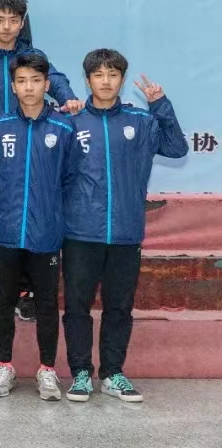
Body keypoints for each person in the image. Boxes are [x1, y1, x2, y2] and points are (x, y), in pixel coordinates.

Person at [62, 50, 187, 403]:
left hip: (125, 232)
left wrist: (160, 105)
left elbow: (177, 148)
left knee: (119, 307)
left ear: (122, 79)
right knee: (77, 307)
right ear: (87, 79)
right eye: (98, 74)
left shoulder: (141, 121)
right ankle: (81, 373)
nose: (106, 81)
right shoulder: (71, 122)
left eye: (113, 74)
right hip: (80, 232)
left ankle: (113, 373)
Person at [0, 0, 82, 318]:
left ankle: (25, 292)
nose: (6, 26)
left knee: (28, 218)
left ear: (21, 23)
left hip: (26, 153)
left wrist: (68, 98)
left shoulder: (32, 56)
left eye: (13, 20)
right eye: (0, 19)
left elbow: (56, 80)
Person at [0, 53, 74, 401]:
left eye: (36, 81)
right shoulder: (0, 126)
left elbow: (69, 178)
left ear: (47, 84)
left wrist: (51, 213)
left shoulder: (63, 128)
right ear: (13, 86)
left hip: (45, 233)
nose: (29, 87)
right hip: (5, 231)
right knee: (3, 302)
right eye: (21, 81)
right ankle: (4, 367)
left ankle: (47, 370)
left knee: (47, 304)